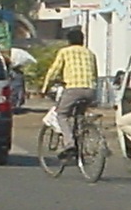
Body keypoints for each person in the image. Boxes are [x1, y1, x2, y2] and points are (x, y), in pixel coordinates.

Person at [40, 29, 98, 160]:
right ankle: (82, 135)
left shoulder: (65, 52)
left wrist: (45, 87)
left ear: (69, 41)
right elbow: (95, 73)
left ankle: (70, 144)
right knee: (79, 114)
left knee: (62, 114)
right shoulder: (90, 53)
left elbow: (54, 71)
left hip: (73, 89)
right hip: (90, 90)